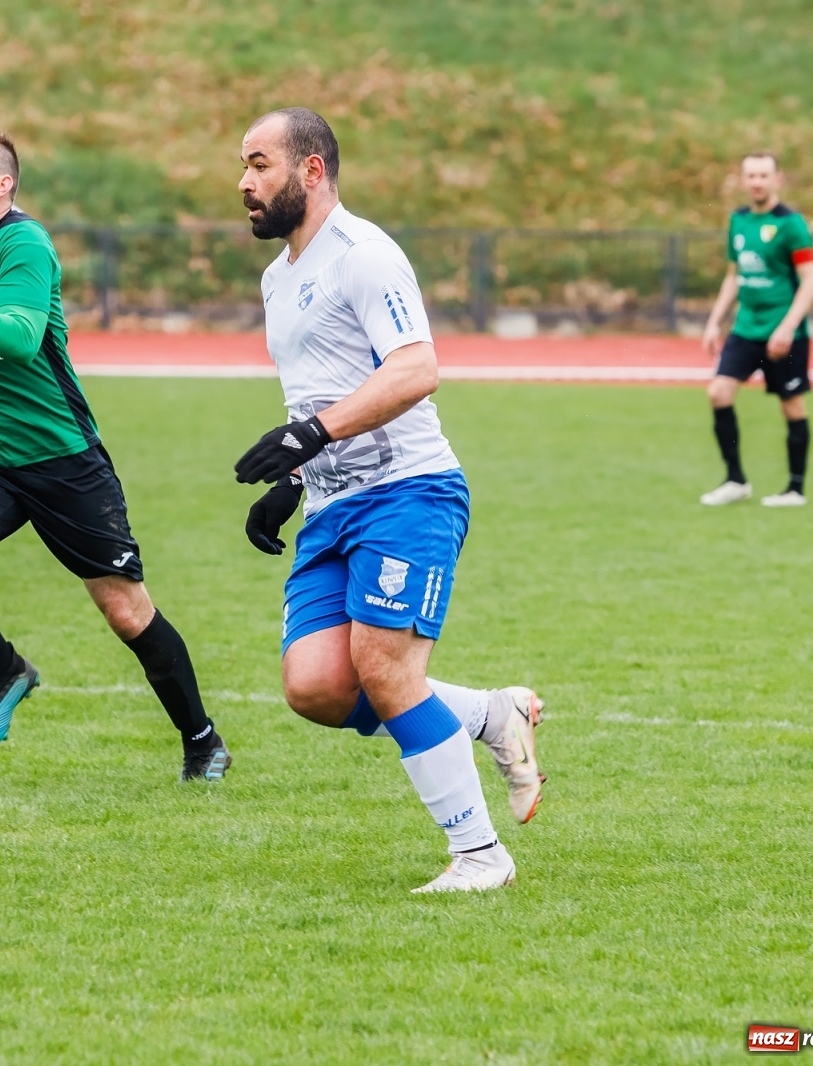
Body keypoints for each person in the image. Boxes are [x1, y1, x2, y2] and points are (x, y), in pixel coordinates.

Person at [233, 107, 543, 893]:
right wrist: (294, 481)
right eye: (243, 165)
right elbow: (329, 389)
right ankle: (487, 715)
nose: (244, 182)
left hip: (409, 491)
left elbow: (414, 371)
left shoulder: (364, 254)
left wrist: (307, 438)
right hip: (331, 507)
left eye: (261, 164)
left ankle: (481, 857)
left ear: (312, 170)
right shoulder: (279, 277)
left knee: (385, 667)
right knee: (316, 686)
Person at [0, 126, 231, 782]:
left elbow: (22, 337)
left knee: (124, 609)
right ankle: (6, 670)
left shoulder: (23, 244)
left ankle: (202, 740)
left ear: (1, 185)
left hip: (61, 457)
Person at [699, 153, 813, 507]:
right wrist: (714, 320)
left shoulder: (791, 224)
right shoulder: (738, 221)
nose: (757, 182)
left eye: (764, 175)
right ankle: (735, 480)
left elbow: (811, 280)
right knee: (718, 393)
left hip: (784, 333)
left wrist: (787, 326)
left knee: (792, 406)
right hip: (746, 328)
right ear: (742, 180)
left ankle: (795, 489)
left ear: (777, 179)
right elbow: (733, 276)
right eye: (751, 175)